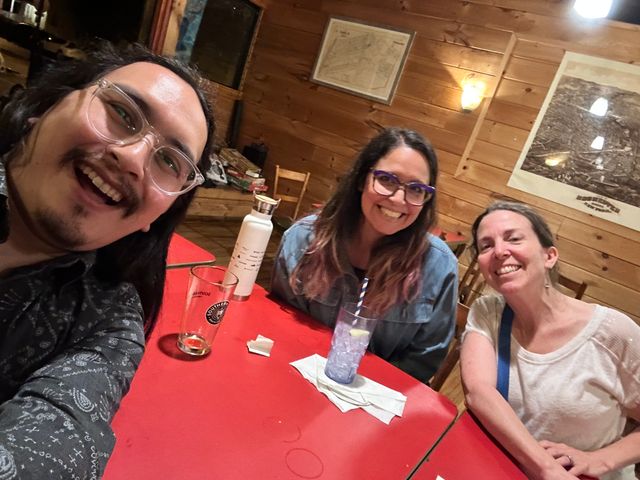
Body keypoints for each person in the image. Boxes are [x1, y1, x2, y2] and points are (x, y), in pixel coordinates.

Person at [0, 43, 214, 478]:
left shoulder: (109, 321)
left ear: (155, 218)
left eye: (170, 161)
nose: (133, 158)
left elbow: (55, 445)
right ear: (46, 105)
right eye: (121, 112)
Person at [460, 201, 640, 480]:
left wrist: (599, 461)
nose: (499, 251)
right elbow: (478, 391)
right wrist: (545, 467)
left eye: (513, 238)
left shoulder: (614, 332)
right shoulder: (489, 312)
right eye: (486, 245)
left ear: (549, 256)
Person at [271, 127, 458, 383]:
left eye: (416, 189)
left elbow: (423, 362)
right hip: (293, 377)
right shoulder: (302, 240)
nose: (398, 198)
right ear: (362, 179)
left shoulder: (440, 266)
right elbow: (280, 323)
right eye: (387, 180)